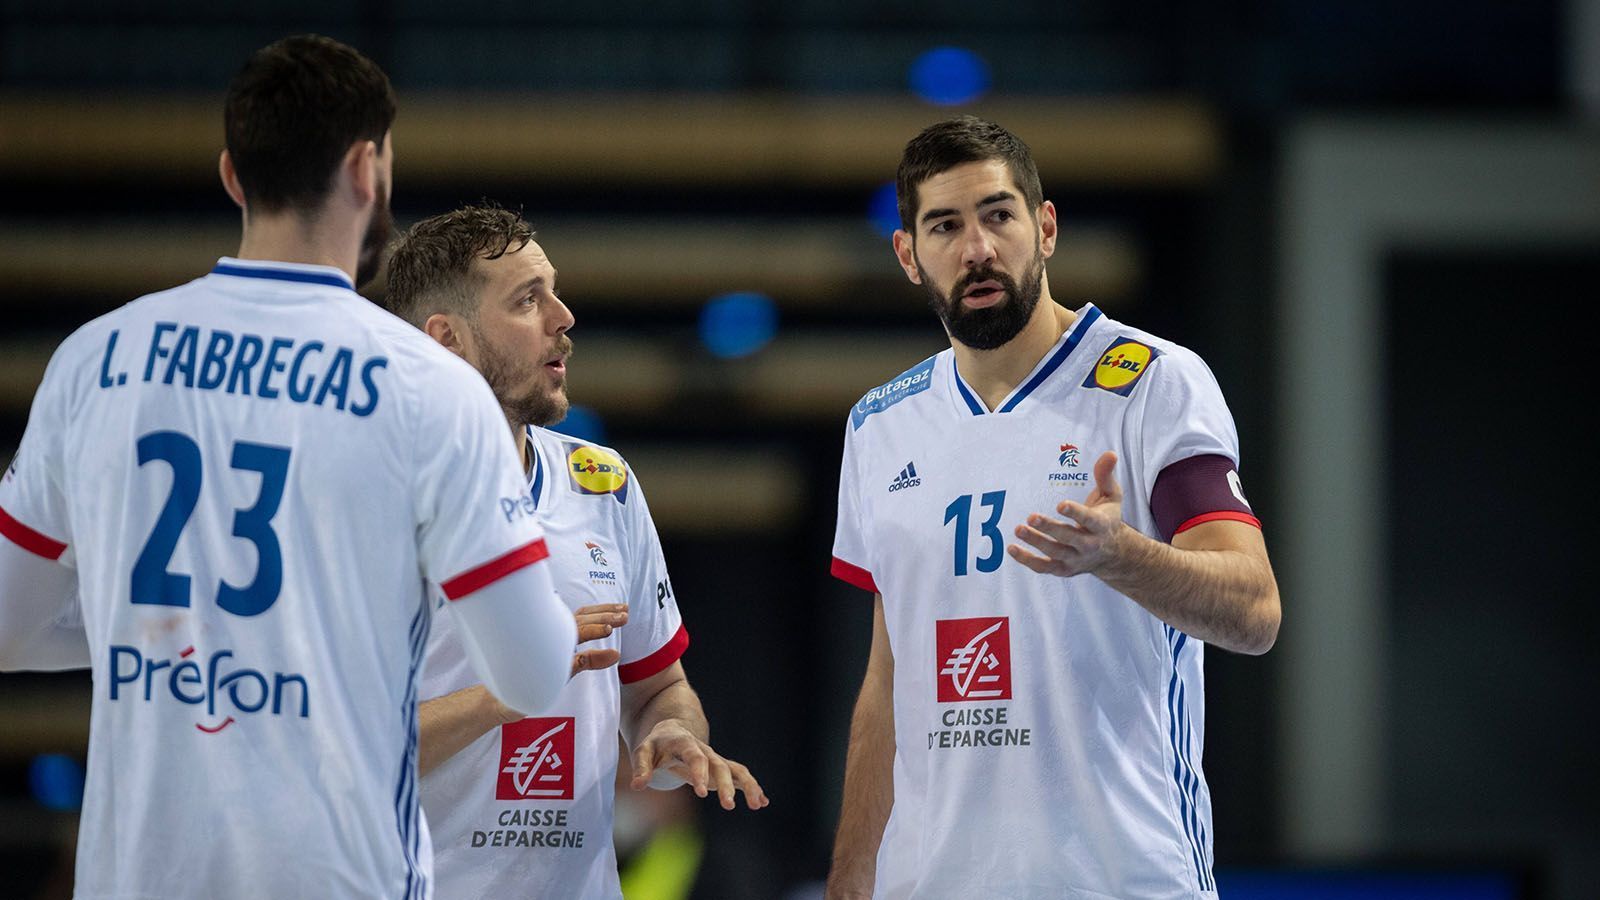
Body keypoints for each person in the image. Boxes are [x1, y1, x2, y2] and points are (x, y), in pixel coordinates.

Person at [0, 36, 576, 900]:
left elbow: (10, 625)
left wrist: (184, 617)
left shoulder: (94, 360)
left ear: (234, 175)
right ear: (365, 168)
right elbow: (530, 673)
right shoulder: (430, 387)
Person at [824, 116, 1282, 900]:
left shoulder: (1153, 384)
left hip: (1122, 881)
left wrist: (1122, 556)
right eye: (945, 225)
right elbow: (888, 677)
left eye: (998, 215)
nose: (977, 249)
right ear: (909, 256)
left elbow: (1255, 610)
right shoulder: (878, 425)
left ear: (1045, 227)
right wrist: (850, 878)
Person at [383, 204, 768, 900]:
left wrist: (675, 735)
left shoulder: (604, 482)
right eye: (528, 300)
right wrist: (515, 685)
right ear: (448, 339)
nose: (564, 316)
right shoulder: (370, 499)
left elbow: (658, 687)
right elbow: (343, 754)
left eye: (553, 290)